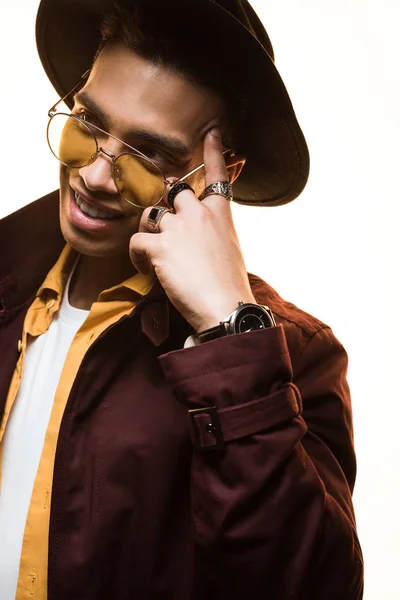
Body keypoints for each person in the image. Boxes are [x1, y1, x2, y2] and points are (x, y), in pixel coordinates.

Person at [0, 0, 364, 598]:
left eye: (150, 155)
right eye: (89, 123)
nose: (95, 176)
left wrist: (230, 337)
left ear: (219, 177)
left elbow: (307, 584)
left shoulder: (293, 358)